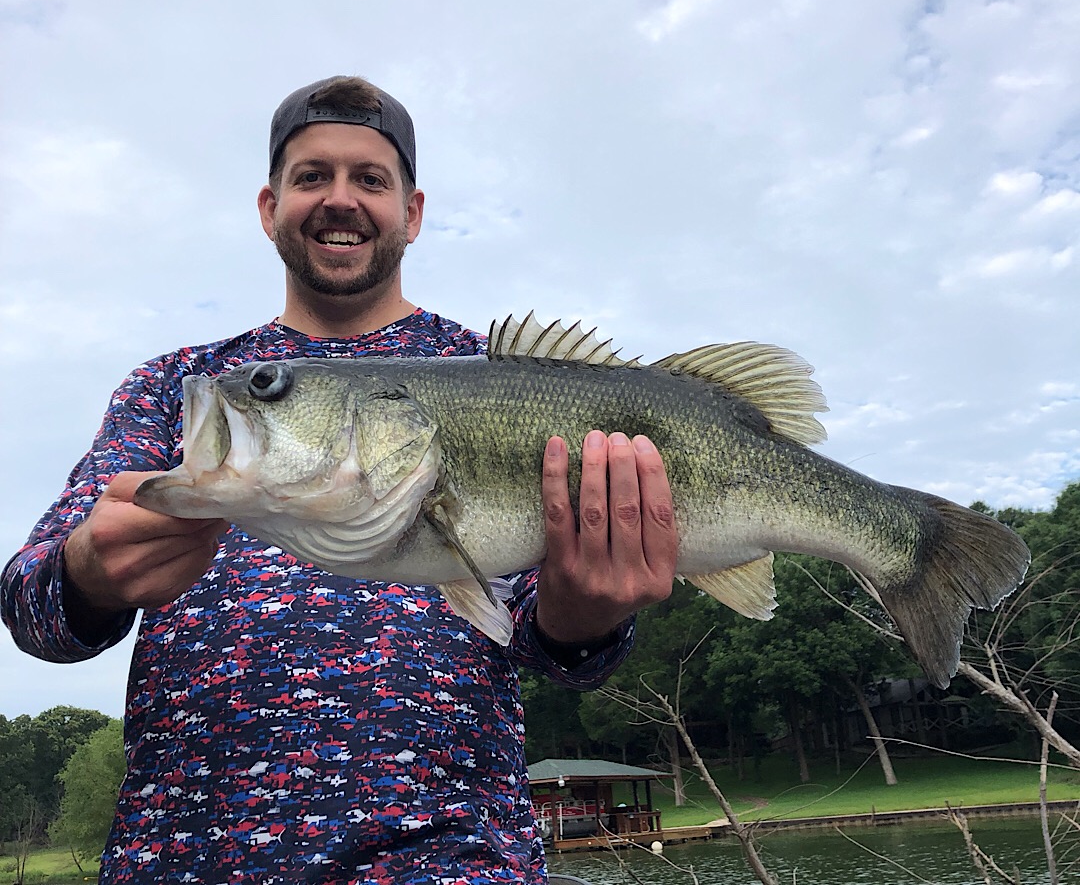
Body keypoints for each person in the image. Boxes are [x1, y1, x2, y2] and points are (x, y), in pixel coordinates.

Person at [2, 76, 678, 884]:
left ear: (412, 213)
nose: (340, 198)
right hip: (184, 858)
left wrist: (591, 616)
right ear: (269, 206)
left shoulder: (505, 379)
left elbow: (559, 648)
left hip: (449, 859)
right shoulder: (181, 387)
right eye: (311, 176)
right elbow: (35, 615)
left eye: (370, 178)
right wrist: (87, 573)